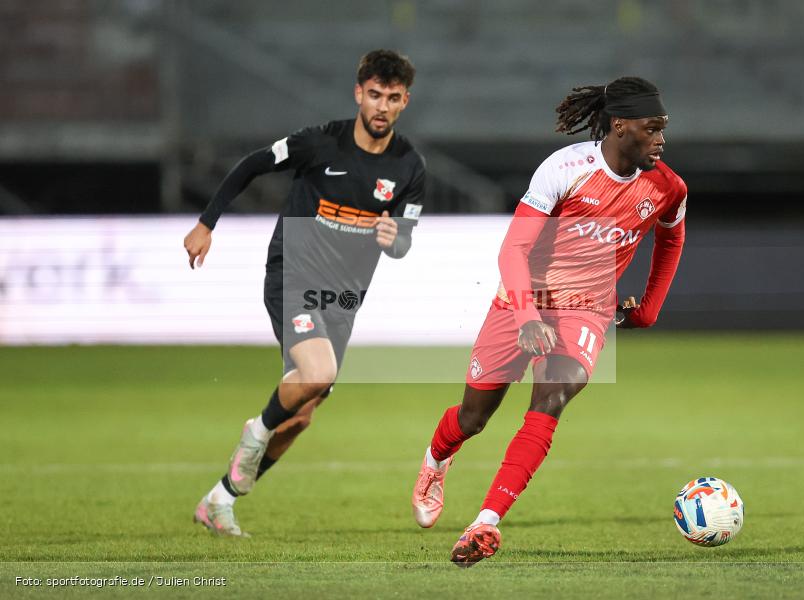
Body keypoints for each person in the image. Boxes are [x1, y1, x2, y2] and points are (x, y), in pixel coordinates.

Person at [410, 77, 687, 566]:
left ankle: (485, 523)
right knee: (473, 417)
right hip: (523, 297)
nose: (662, 138)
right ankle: (435, 461)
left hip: (587, 309)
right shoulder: (565, 169)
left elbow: (671, 239)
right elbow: (513, 248)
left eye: (664, 128)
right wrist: (526, 317)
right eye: (653, 128)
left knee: (554, 395)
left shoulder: (667, 187)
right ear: (621, 126)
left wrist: (649, 306)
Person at [184, 49, 425, 537]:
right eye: (374, 95)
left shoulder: (410, 168)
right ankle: (255, 432)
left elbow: (403, 240)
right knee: (318, 372)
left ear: (405, 102)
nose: (381, 106)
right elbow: (252, 164)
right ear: (359, 93)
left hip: (343, 298)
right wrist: (207, 222)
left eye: (393, 98)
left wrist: (393, 238)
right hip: (293, 273)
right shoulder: (321, 143)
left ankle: (219, 499)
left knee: (300, 418)